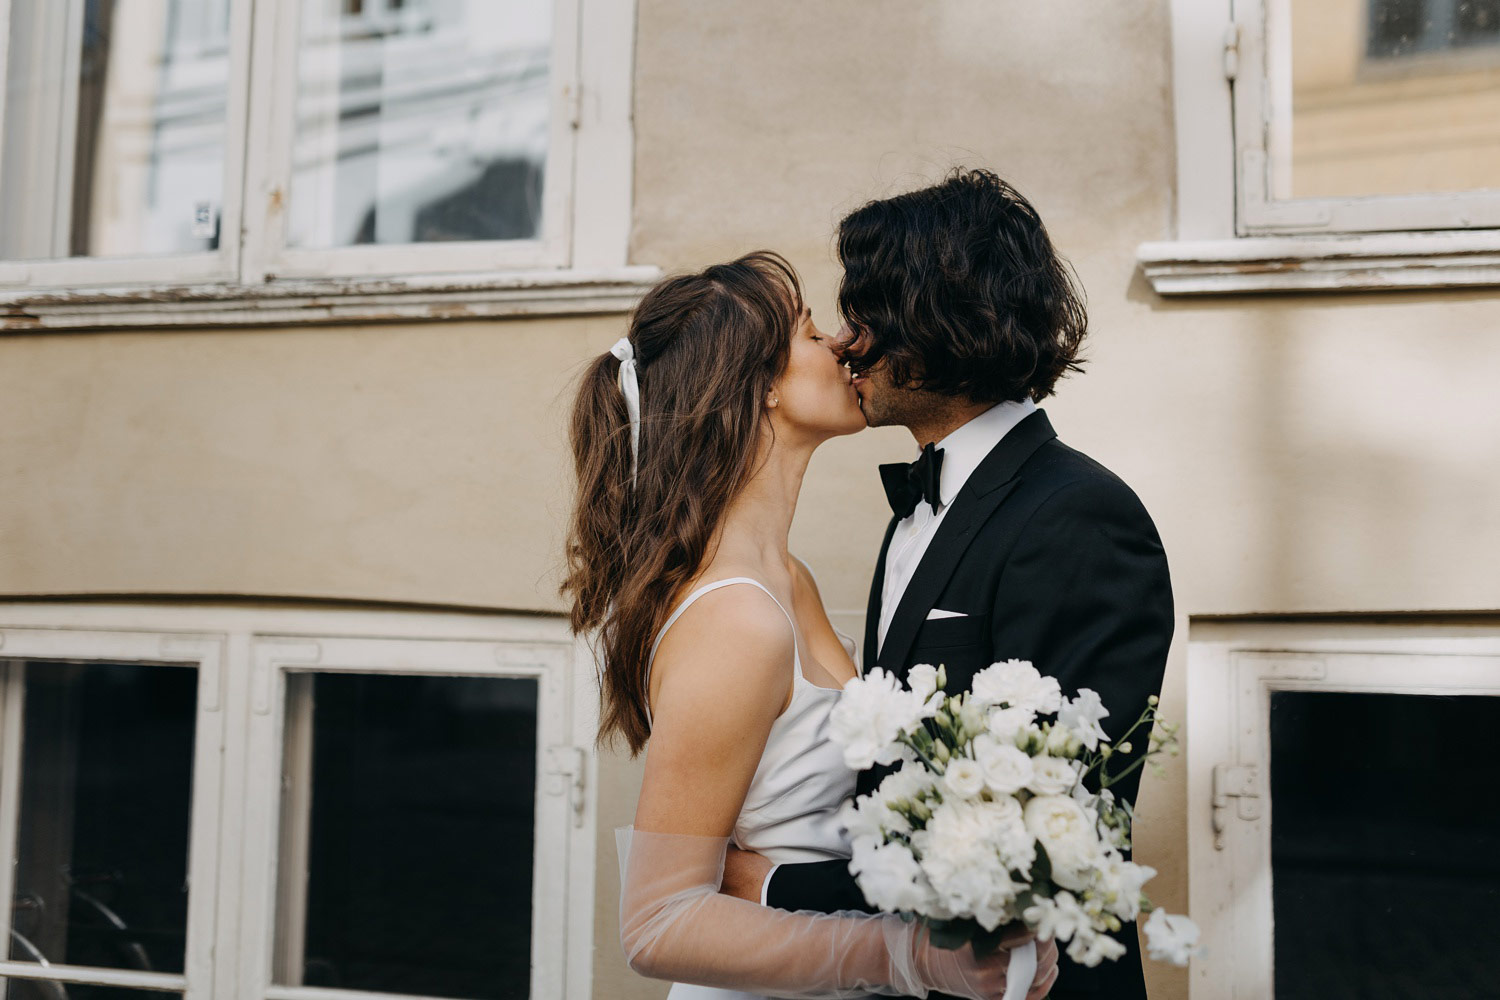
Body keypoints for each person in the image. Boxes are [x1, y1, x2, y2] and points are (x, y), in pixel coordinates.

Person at [720, 170, 1175, 1000]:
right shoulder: (918, 510)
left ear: (932, 322)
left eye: (865, 317)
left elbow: (1046, 834)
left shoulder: (1080, 516)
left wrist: (777, 889)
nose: (849, 345)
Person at [563, 250, 1058, 1000]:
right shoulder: (736, 617)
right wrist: (908, 955)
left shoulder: (789, 582)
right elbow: (658, 922)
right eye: (809, 330)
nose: (844, 344)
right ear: (758, 386)